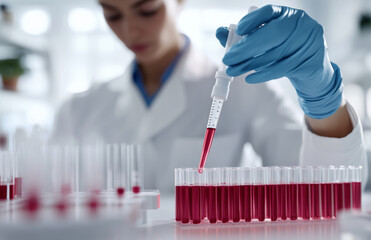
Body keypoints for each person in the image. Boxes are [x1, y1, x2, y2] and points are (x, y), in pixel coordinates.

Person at [53, 1, 368, 193]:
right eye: (112, 15)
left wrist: (325, 98)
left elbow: (332, 188)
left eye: (147, 9)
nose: (131, 30)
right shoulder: (78, 109)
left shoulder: (247, 87)